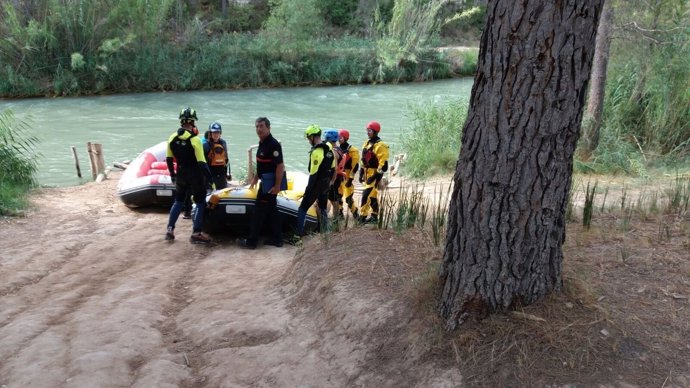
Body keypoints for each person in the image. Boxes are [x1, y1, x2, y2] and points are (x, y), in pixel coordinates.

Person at [164, 107, 213, 244]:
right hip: (195, 176)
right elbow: (202, 163)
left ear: (181, 121)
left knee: (178, 201)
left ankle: (170, 230)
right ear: (193, 122)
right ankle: (196, 233)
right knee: (200, 202)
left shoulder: (172, 138)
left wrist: (173, 175)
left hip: (180, 174)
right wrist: (210, 180)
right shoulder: (195, 140)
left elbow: (168, 159)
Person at [239, 117, 285, 249]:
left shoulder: (273, 144)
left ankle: (251, 242)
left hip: (269, 186)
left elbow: (280, 166)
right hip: (264, 182)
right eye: (257, 126)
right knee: (272, 211)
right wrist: (255, 178)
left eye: (261, 126)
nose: (259, 129)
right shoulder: (262, 142)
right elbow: (262, 164)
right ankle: (278, 239)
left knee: (258, 212)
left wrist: (276, 186)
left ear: (268, 128)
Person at [296, 124, 335, 236]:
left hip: (317, 184)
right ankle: (325, 232)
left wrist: (308, 190)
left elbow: (313, 174)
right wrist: (329, 183)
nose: (308, 140)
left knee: (302, 208)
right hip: (326, 183)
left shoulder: (316, 152)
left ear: (313, 136)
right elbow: (332, 168)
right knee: (323, 207)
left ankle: (298, 235)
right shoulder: (329, 149)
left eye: (309, 138)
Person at [358, 120, 389, 224]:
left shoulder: (381, 146)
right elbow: (363, 160)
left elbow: (383, 166)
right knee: (372, 195)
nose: (368, 132)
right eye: (367, 130)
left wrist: (375, 177)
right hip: (367, 172)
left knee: (365, 195)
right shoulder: (366, 143)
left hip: (375, 173)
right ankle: (375, 217)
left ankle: (362, 217)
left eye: (370, 130)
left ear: (376, 132)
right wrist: (361, 173)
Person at [337, 129, 360, 219]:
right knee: (338, 196)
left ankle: (355, 213)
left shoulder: (352, 150)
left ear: (346, 138)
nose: (339, 139)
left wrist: (350, 179)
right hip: (339, 176)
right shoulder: (337, 149)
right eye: (338, 137)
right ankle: (340, 213)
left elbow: (355, 166)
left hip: (347, 176)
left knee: (348, 198)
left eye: (341, 137)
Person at [203, 121, 231, 190]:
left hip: (221, 175)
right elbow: (203, 163)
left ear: (220, 133)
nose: (216, 134)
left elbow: (226, 159)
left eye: (218, 132)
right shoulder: (205, 145)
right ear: (210, 133)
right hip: (210, 175)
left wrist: (227, 174)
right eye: (214, 132)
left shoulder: (223, 143)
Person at [323, 129, 344, 218]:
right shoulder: (338, 149)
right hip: (337, 178)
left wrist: (331, 181)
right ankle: (335, 217)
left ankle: (335, 218)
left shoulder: (334, 152)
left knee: (333, 199)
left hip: (334, 179)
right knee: (333, 199)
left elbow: (334, 168)